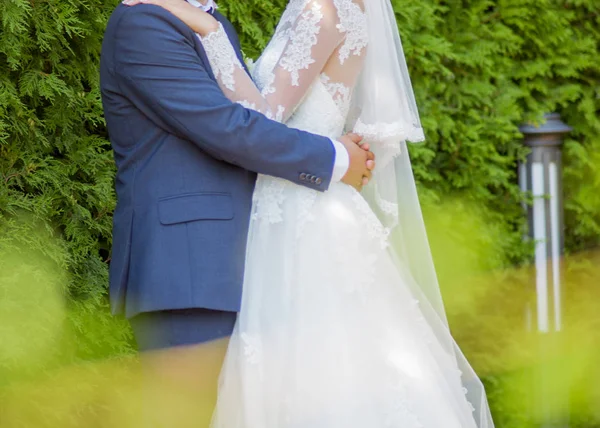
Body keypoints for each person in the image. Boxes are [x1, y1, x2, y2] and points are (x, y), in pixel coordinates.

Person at [121, 0, 497, 426]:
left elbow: (262, 117)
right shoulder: (315, 10)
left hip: (301, 215)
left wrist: (207, 30)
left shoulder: (322, 12)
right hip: (292, 209)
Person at [100, 0, 375, 425]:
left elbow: (256, 117)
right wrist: (335, 159)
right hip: (189, 264)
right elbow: (225, 128)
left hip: (243, 258)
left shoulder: (210, 20)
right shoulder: (144, 23)